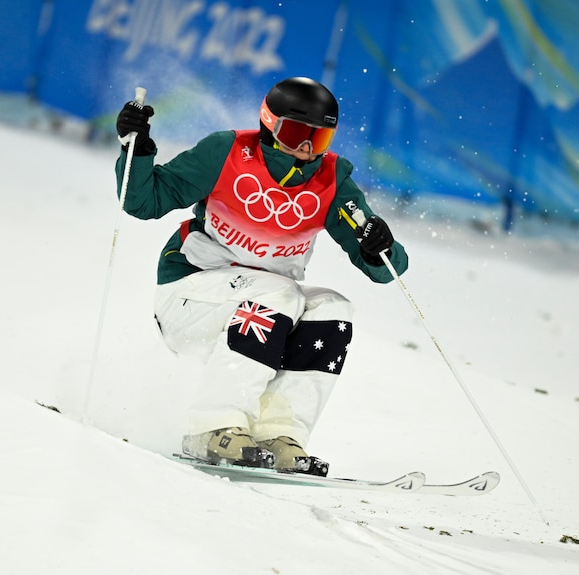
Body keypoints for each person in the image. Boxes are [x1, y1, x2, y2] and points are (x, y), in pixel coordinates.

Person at [114, 76, 408, 476]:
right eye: (296, 134)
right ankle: (212, 428)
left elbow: (385, 269)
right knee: (282, 294)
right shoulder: (227, 152)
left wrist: (380, 247)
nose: (306, 149)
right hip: (191, 295)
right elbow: (143, 202)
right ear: (270, 123)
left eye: (318, 140)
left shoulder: (330, 181)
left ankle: (278, 433)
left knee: (333, 310)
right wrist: (138, 148)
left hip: (261, 314)